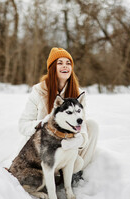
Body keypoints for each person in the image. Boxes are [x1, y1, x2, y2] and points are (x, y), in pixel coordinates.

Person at [18, 47, 99, 181]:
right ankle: (48, 174)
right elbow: (23, 125)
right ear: (52, 67)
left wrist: (80, 139)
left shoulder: (77, 92)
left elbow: (82, 123)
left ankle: (74, 173)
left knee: (93, 125)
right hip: (43, 147)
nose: (65, 66)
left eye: (68, 63)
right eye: (60, 63)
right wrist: (42, 124)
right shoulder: (39, 91)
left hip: (67, 146)